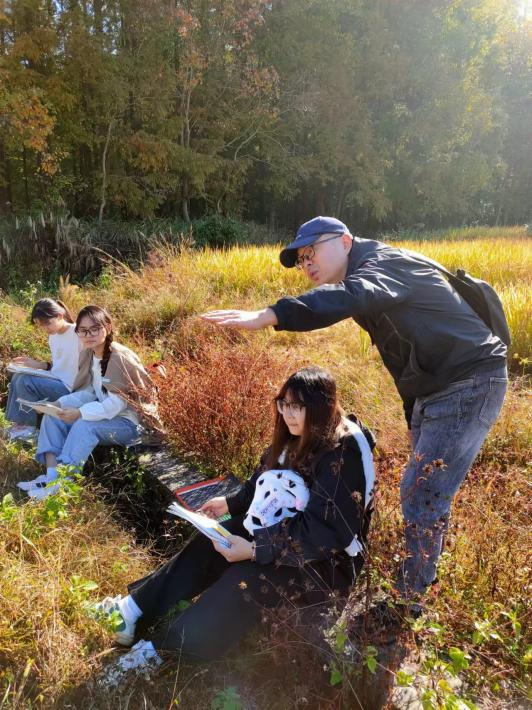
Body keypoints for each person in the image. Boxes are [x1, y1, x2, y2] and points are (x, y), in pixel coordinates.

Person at [201, 216, 508, 602]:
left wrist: (272, 315)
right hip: (435, 388)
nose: (306, 264)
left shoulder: (383, 264)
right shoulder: (367, 278)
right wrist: (413, 412)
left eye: (311, 252)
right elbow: (401, 356)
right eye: (301, 260)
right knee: (424, 490)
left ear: (345, 241)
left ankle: (410, 601)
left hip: (468, 379)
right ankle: (419, 585)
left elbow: (351, 295)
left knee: (423, 493)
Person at [93, 366, 375, 687]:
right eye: (283, 404)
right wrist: (231, 503)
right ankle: (131, 612)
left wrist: (255, 550)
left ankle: (159, 655)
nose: (287, 414)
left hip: (325, 565)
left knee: (245, 580)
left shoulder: (343, 453)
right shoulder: (297, 433)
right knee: (213, 538)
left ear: (320, 407)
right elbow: (266, 480)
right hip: (282, 531)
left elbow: (327, 532)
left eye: (297, 407)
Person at [18, 305, 161, 499]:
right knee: (53, 417)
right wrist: (59, 403)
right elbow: (90, 392)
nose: (89, 335)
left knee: (85, 425)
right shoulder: (90, 354)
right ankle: (50, 476)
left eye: (95, 329)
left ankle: (62, 483)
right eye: (83, 330)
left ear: (107, 327)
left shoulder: (118, 357)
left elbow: (117, 404)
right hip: (106, 415)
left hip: (129, 423)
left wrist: (80, 413)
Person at [4, 298, 82, 441]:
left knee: (26, 380)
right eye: (41, 326)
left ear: (60, 316)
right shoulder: (53, 337)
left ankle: (28, 429)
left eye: (48, 323)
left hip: (72, 389)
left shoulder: (78, 333)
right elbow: (61, 365)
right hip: (57, 381)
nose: (46, 329)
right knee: (17, 376)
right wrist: (37, 365)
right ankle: (18, 424)